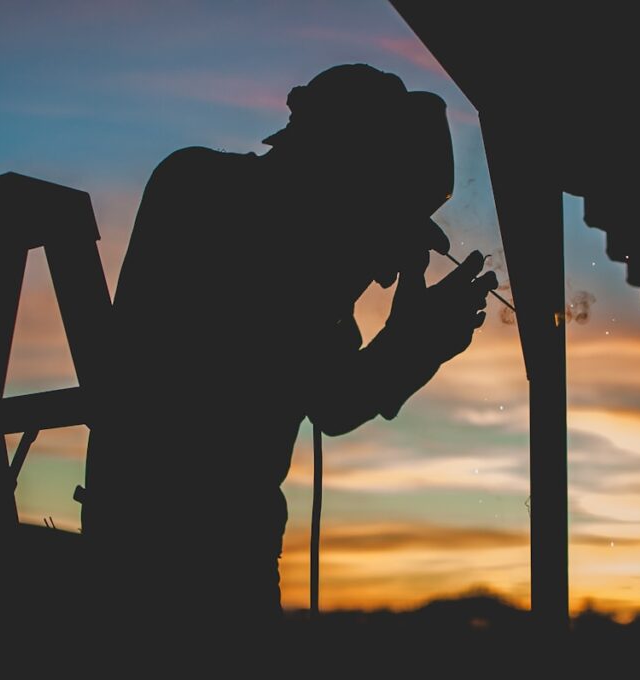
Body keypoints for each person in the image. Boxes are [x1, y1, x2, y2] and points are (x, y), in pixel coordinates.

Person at [81, 64, 498, 634]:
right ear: (343, 172)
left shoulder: (297, 244)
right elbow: (315, 380)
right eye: (383, 216)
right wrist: (407, 342)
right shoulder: (202, 191)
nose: (380, 273)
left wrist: (412, 346)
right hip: (182, 560)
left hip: (221, 551)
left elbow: (334, 399)